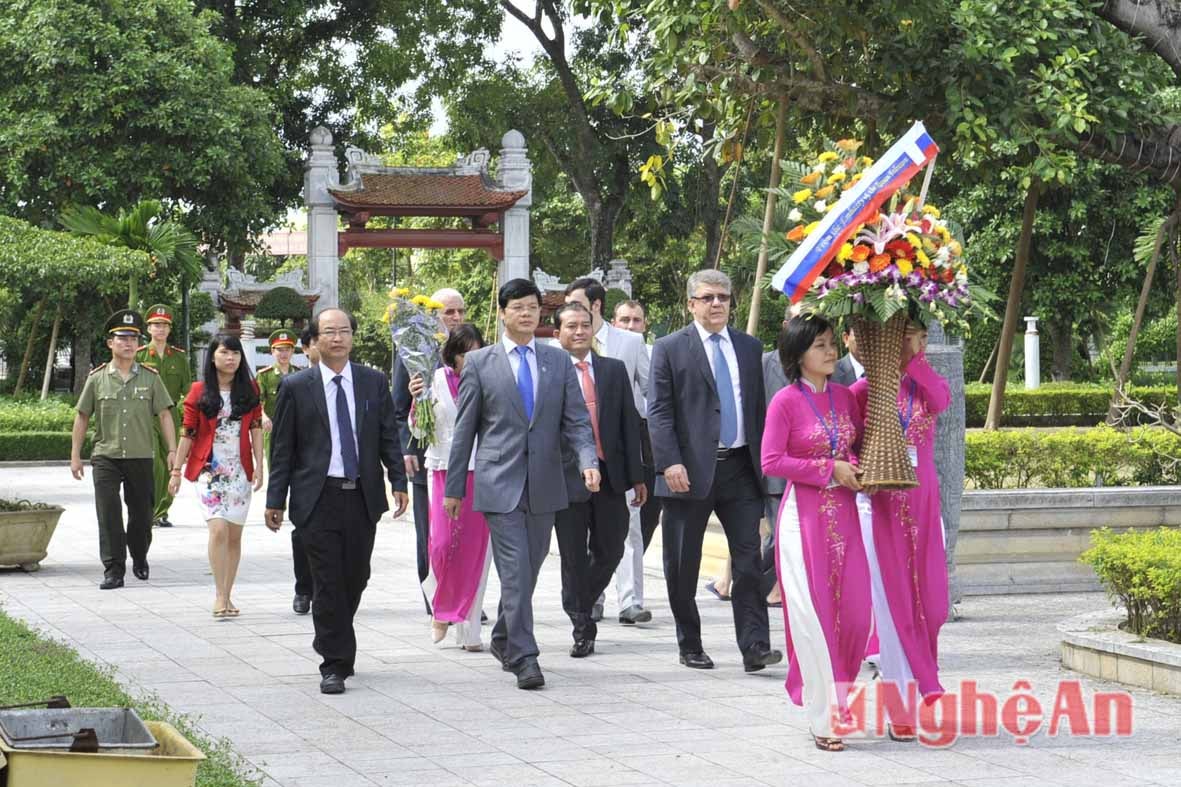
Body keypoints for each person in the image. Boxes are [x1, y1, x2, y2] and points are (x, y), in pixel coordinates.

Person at [443, 278, 599, 690]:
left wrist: (588, 462)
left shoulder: (557, 362)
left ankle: (501, 637)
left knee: (529, 567)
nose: (527, 313)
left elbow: (577, 421)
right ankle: (525, 657)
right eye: (518, 307)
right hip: (499, 481)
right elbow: (465, 431)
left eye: (532, 306)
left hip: (546, 481)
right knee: (514, 569)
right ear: (502, 313)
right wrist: (454, 488)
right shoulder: (480, 363)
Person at [265, 308, 409, 695]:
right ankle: (335, 662)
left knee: (355, 576)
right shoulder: (297, 386)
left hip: (361, 495)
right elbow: (284, 449)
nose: (337, 338)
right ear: (314, 340)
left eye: (344, 331)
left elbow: (387, 435)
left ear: (352, 337)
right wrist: (275, 498)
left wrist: (398, 479)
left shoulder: (372, 382)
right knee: (327, 582)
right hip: (317, 496)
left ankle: (331, 632)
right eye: (329, 332)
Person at [648, 269, 781, 672]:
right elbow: (659, 410)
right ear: (691, 304)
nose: (717, 303)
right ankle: (690, 642)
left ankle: (755, 646)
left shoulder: (748, 347)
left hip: (741, 468)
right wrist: (669, 460)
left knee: (748, 562)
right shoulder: (670, 348)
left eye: (723, 296)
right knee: (683, 564)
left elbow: (757, 409)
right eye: (707, 297)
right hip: (687, 471)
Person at [761, 314, 869, 752]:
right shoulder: (785, 402)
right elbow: (771, 462)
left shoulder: (845, 398)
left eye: (831, 344)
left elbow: (856, 447)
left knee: (857, 614)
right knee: (815, 619)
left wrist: (862, 468)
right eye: (821, 345)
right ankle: (825, 716)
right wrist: (829, 470)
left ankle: (839, 696)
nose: (831, 352)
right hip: (801, 521)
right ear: (798, 354)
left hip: (846, 519)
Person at [851, 323, 950, 741]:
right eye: (909, 335)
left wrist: (915, 360)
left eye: (922, 337)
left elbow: (942, 401)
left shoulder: (925, 384)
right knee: (893, 610)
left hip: (925, 506)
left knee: (931, 605)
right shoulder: (863, 392)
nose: (918, 343)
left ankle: (925, 685)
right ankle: (900, 708)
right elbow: (849, 448)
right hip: (883, 510)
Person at [552, 302, 646, 657]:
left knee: (612, 547)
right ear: (558, 333)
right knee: (573, 554)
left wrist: (637, 477)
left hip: (611, 473)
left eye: (585, 325)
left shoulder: (613, 370)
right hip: (567, 476)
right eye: (571, 326)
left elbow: (628, 425)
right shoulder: (550, 371)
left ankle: (576, 597)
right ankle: (582, 626)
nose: (579, 331)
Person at [70, 310, 176, 589]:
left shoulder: (151, 378)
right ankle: (113, 569)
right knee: (108, 513)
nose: (128, 343)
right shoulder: (97, 379)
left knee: (142, 514)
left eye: (133, 339)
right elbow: (82, 416)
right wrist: (75, 455)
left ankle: (139, 555)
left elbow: (165, 415)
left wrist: (173, 449)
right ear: (110, 343)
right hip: (106, 455)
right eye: (122, 338)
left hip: (141, 455)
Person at [169, 334, 264, 618]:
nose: (230, 358)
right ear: (213, 357)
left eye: (235, 353)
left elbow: (256, 428)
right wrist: (176, 470)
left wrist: (260, 465)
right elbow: (188, 432)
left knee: (234, 536)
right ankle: (219, 596)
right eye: (224, 353)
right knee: (218, 530)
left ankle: (228, 593)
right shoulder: (198, 391)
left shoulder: (250, 389)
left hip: (239, 471)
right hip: (209, 471)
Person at [410, 323, 492, 651]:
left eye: (476, 353)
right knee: (442, 546)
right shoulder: (434, 380)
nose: (469, 360)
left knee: (475, 551)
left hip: (481, 471)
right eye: (463, 353)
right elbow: (418, 432)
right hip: (443, 468)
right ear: (452, 354)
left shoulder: (490, 380)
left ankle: (470, 630)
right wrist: (418, 404)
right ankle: (441, 608)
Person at [394, 288, 467, 614]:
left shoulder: (474, 352)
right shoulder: (414, 351)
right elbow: (398, 407)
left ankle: (463, 596)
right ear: (434, 315)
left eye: (460, 312)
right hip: (427, 456)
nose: (455, 318)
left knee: (464, 532)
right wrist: (407, 448)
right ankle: (435, 597)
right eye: (449, 312)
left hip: (467, 461)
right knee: (433, 534)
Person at [610, 299, 662, 624]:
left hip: (635, 443)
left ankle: (631, 600)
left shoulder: (645, 350)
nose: (631, 326)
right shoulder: (592, 349)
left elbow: (652, 396)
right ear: (613, 322)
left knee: (633, 524)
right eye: (625, 320)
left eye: (637, 320)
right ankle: (593, 596)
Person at [136, 304, 192, 528]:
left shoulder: (179, 358)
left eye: (164, 325)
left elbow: (188, 390)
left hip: (171, 415)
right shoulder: (140, 355)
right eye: (156, 325)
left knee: (172, 464)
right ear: (148, 329)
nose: (160, 329)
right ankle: (150, 509)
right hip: (146, 416)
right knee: (154, 465)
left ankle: (162, 510)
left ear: (169, 330)